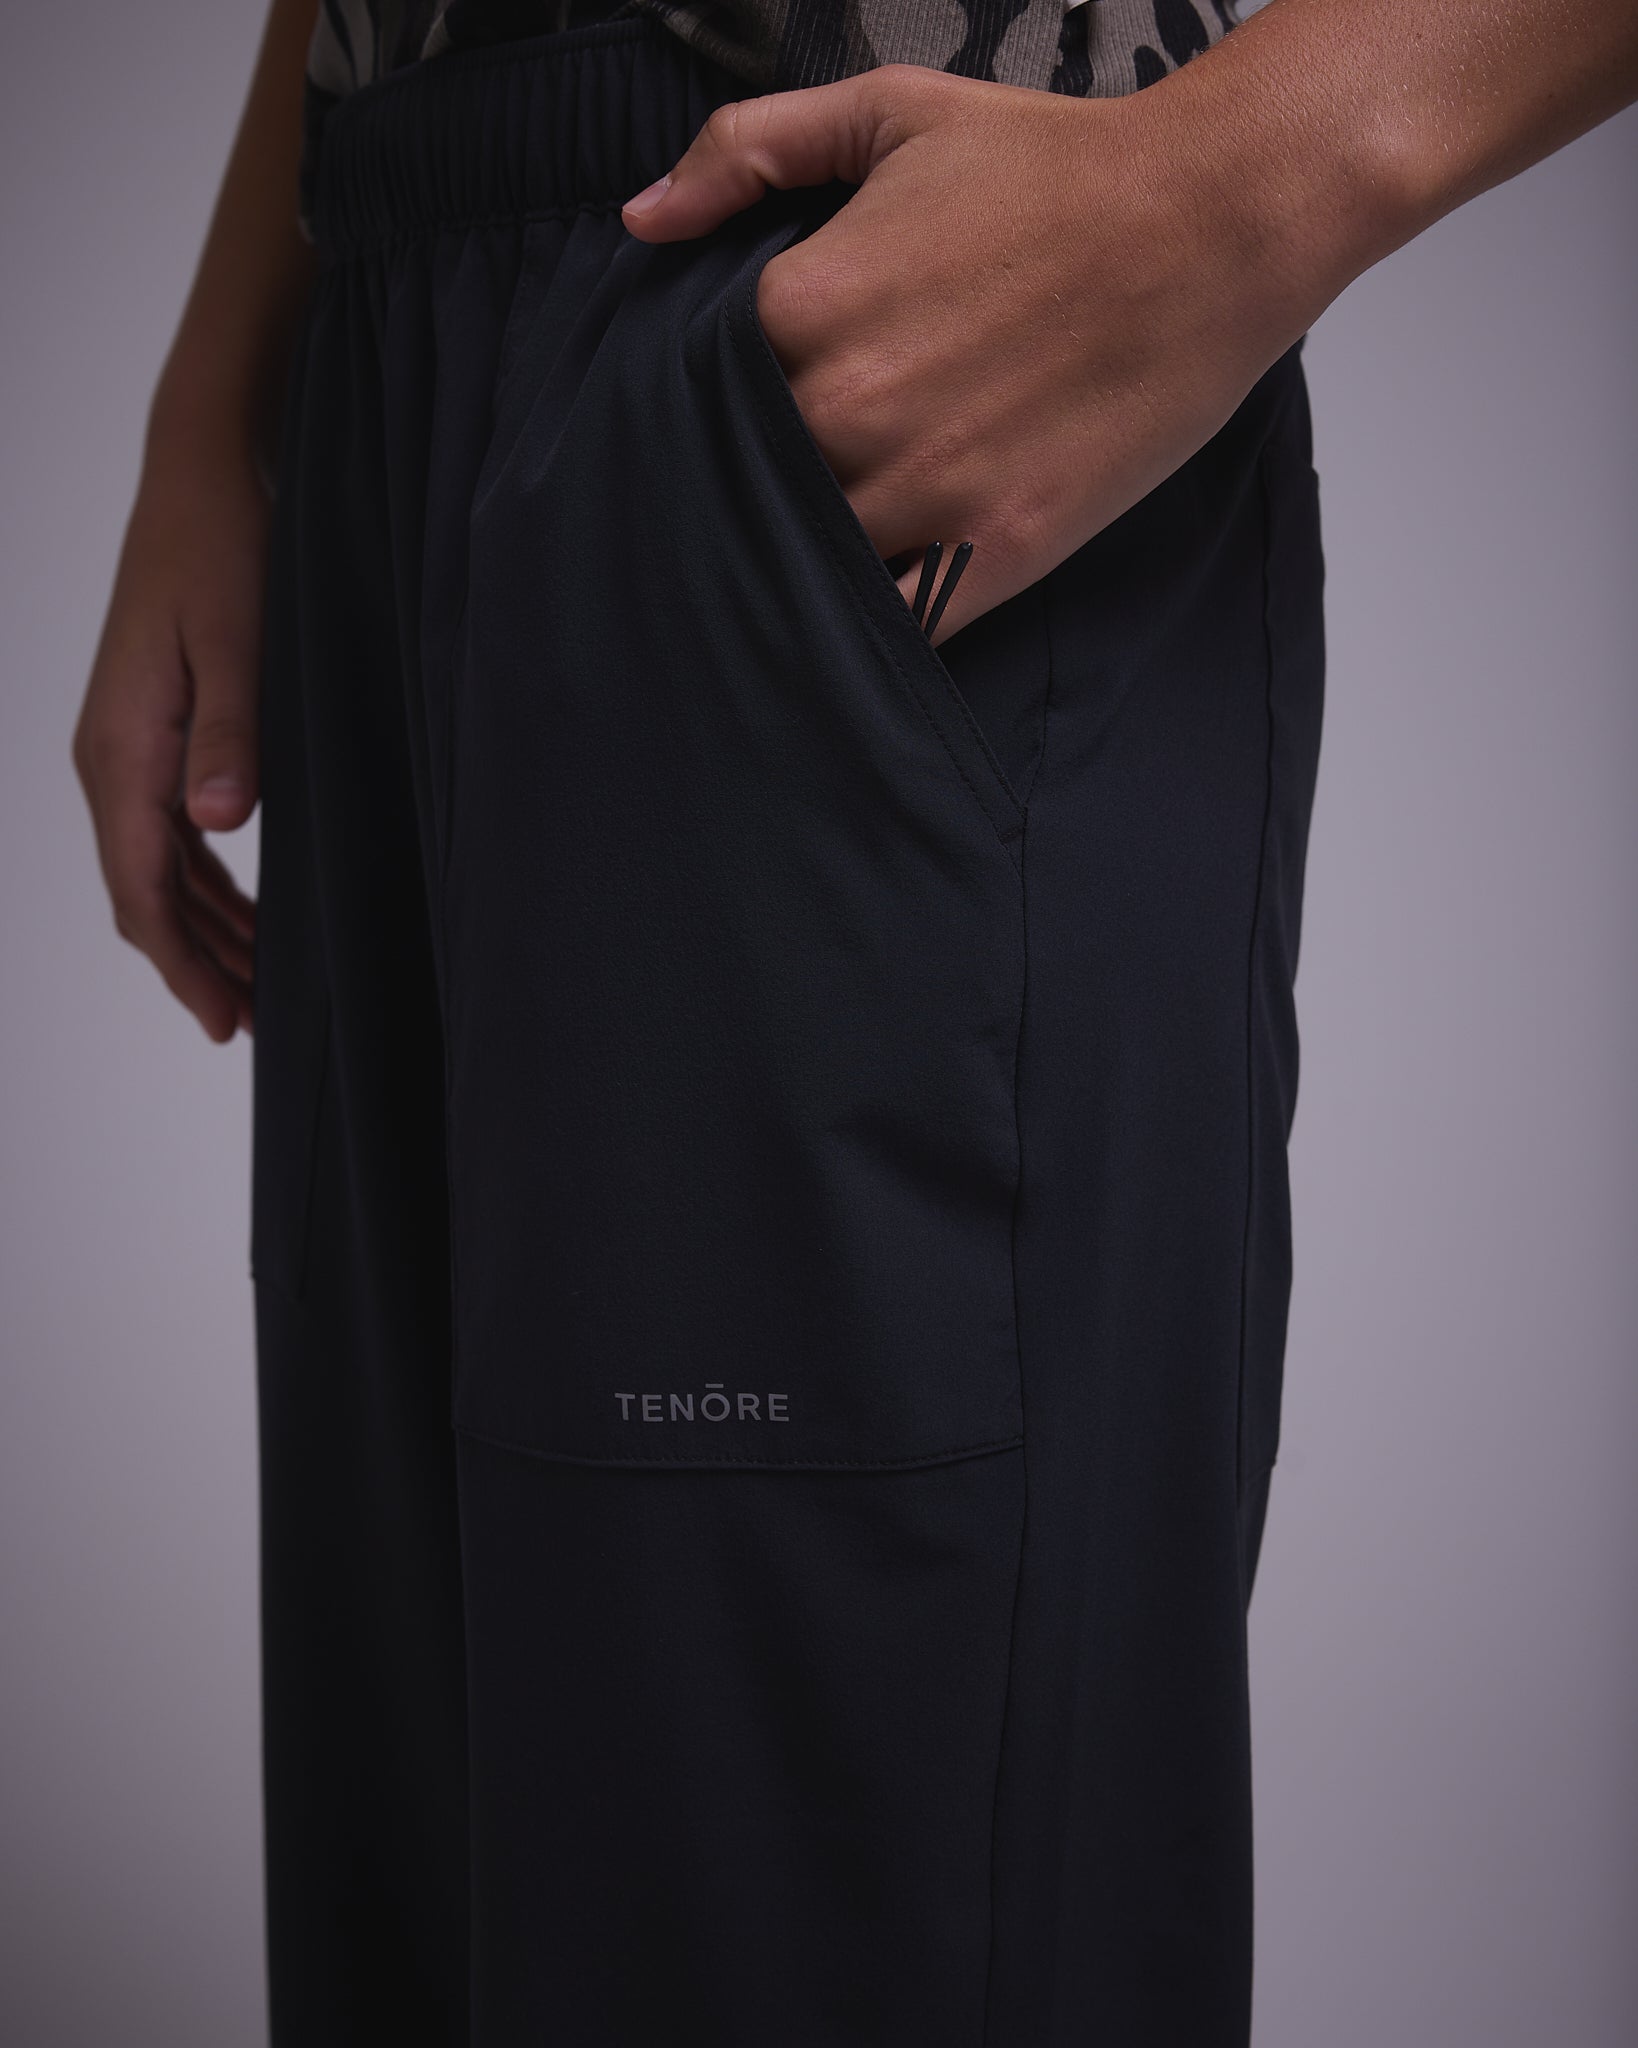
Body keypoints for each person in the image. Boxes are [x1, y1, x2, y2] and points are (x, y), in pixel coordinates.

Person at [70, 2, 1638, 2041]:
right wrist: (223, 390)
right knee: (434, 1914)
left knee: (819, 1914)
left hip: (858, 322)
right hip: (387, 335)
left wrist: (1250, 173)